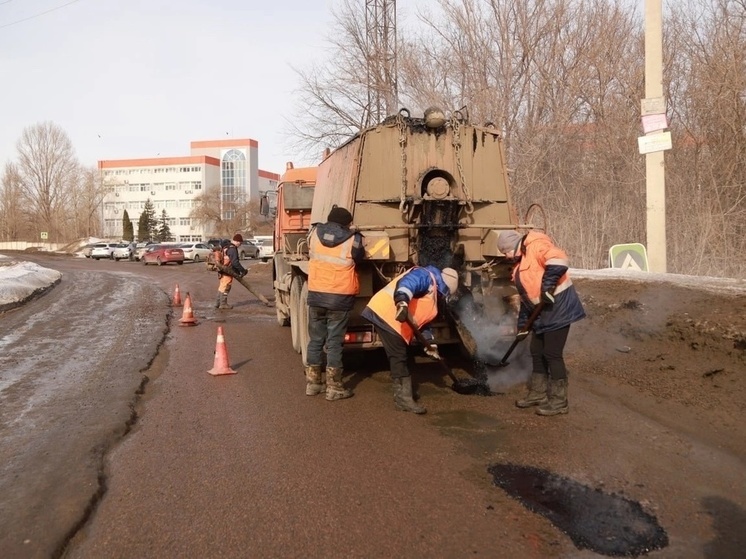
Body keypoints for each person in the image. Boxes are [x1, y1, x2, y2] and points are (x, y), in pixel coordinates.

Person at [497, 230, 585, 416]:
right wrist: (523, 328)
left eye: (505, 252)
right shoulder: (519, 267)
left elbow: (559, 260)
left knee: (552, 354)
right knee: (536, 352)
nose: (506, 256)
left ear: (513, 245)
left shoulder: (536, 245)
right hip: (541, 315)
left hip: (558, 309)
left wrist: (547, 286)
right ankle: (538, 393)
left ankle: (560, 402)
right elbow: (527, 301)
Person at [362, 265, 459, 414]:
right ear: (445, 286)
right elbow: (408, 283)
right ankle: (403, 399)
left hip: (392, 320)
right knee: (399, 357)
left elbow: (423, 323)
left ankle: (404, 395)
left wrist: (430, 345)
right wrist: (402, 302)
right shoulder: (427, 276)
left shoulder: (432, 293)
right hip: (386, 315)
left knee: (400, 356)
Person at [305, 206, 365, 401]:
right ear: (347, 222)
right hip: (340, 297)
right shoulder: (353, 238)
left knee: (315, 341)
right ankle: (334, 387)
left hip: (316, 295)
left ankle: (313, 384)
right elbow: (360, 257)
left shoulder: (314, 233)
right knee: (334, 343)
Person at [214, 234, 248, 310]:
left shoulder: (226, 247)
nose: (240, 244)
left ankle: (217, 303)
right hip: (228, 270)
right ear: (237, 241)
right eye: (240, 242)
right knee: (226, 287)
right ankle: (223, 304)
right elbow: (235, 262)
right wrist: (242, 270)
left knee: (222, 287)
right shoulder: (232, 249)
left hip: (223, 270)